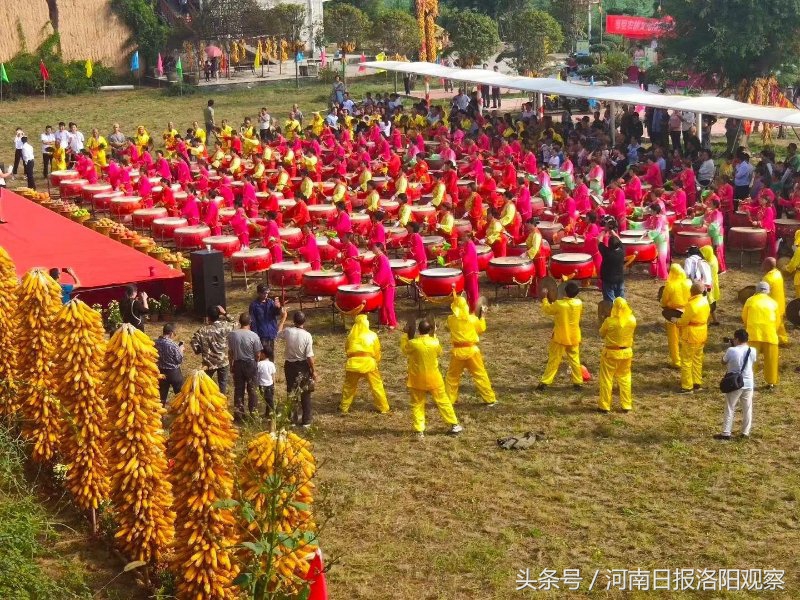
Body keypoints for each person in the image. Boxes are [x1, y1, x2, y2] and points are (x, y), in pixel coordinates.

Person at [400, 318, 463, 438]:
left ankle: (419, 431)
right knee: (443, 401)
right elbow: (439, 352)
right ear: (430, 330)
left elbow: (404, 349)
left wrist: (404, 335)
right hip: (434, 378)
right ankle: (454, 424)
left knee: (417, 404)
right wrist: (435, 336)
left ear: (418, 330)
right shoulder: (435, 343)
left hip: (417, 378)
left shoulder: (413, 344)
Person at [444, 296, 496, 406]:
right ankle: (489, 399)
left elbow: (447, 327)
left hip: (457, 352)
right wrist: (482, 316)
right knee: (480, 374)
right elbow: (481, 328)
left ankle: (449, 400)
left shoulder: (450, 319)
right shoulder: (472, 319)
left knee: (452, 377)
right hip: (472, 352)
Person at [537, 281, 584, 391]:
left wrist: (544, 298)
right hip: (574, 337)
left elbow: (547, 309)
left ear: (565, 292)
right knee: (575, 360)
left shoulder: (559, 305)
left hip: (560, 337)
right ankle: (578, 382)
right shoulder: (579, 303)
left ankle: (545, 382)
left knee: (554, 360)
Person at [340, 314, 389, 415]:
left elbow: (347, 349)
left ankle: (344, 407)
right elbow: (377, 351)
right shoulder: (372, 335)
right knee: (377, 386)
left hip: (353, 364)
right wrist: (376, 361)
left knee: (349, 387)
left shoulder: (350, 336)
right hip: (369, 364)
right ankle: (383, 408)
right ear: (367, 323)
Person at [715, 329, 756, 440]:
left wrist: (731, 346)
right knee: (747, 408)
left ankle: (726, 432)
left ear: (736, 339)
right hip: (748, 382)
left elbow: (723, 361)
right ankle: (745, 432)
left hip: (734, 382)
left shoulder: (731, 350)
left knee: (730, 407)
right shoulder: (752, 350)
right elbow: (753, 361)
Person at [598, 296, 636, 413]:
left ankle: (604, 405)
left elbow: (601, 334)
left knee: (606, 379)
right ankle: (626, 405)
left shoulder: (609, 321)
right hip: (626, 353)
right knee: (625, 379)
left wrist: (603, 319)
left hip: (611, 354)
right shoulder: (632, 320)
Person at [277, 311, 316, 428]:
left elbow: (278, 333)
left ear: (293, 321)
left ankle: (292, 419)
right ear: (304, 321)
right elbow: (309, 356)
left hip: (289, 365)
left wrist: (283, 318)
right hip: (303, 365)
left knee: (291, 392)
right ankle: (306, 421)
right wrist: (313, 370)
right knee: (305, 393)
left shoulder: (288, 331)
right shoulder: (307, 335)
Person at [674, 281, 711, 393]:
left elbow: (684, 321)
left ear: (691, 292)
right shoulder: (705, 301)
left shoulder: (691, 304)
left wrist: (676, 321)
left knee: (686, 360)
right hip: (702, 332)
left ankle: (687, 386)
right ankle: (697, 382)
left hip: (691, 334)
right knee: (697, 359)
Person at [742, 281, 779, 389]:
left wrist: (748, 327)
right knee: (771, 360)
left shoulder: (750, 300)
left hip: (753, 334)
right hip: (770, 334)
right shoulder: (773, 303)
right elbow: (778, 321)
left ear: (756, 291)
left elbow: (744, 317)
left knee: (751, 359)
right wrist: (772, 330)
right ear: (768, 291)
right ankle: (771, 382)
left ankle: (749, 381)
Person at [190, 305, 234, 393]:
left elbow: (194, 343)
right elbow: (236, 323)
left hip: (208, 363)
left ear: (208, 317)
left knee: (205, 386)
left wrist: (199, 350)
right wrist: (225, 313)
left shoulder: (202, 330)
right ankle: (222, 402)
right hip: (223, 362)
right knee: (223, 385)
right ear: (219, 315)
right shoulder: (225, 327)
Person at [228, 312, 263, 422]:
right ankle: (253, 415)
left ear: (239, 322)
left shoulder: (233, 335)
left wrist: (231, 365)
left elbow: (230, 352)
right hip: (250, 363)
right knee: (252, 390)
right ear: (250, 322)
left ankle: (239, 415)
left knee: (239, 389)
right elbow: (258, 354)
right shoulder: (254, 335)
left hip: (237, 363)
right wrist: (256, 362)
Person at [661, 263, 692, 367]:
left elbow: (664, 301)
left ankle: (676, 361)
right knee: (686, 338)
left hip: (672, 314)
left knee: (673, 339)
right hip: (687, 313)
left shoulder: (670, 285)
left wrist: (664, 305)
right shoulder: (688, 283)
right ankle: (687, 358)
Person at [155, 323, 184, 406]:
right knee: (179, 395)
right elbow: (179, 360)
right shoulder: (173, 345)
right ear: (171, 333)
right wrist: (181, 350)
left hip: (160, 372)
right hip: (174, 373)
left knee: (161, 396)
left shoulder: (155, 342)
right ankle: (179, 411)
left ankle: (160, 414)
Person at [249, 284, 284, 353]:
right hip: (261, 335)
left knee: (271, 353)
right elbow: (253, 321)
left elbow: (276, 314)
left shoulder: (270, 302)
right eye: (264, 293)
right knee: (263, 355)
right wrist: (255, 335)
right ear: (258, 293)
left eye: (267, 293)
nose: (266, 295)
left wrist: (278, 308)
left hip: (271, 333)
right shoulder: (254, 305)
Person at [762, 258, 788, 345]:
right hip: (780, 304)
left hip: (772, 306)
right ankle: (783, 340)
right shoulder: (778, 273)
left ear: (768, 266)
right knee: (780, 323)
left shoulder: (768, 278)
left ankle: (770, 341)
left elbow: (763, 294)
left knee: (770, 324)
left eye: (764, 264)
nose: (762, 265)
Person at [371, 243, 397, 330]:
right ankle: (383, 320)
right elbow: (369, 263)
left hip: (388, 284)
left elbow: (383, 271)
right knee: (381, 304)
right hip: (382, 284)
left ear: (379, 248)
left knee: (388, 304)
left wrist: (375, 281)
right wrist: (361, 260)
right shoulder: (376, 257)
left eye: (374, 246)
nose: (372, 248)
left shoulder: (383, 258)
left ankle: (392, 322)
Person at [598, 227, 625, 301]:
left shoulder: (606, 252)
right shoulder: (622, 251)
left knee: (610, 301)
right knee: (621, 301)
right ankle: (622, 311)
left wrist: (604, 231)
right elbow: (619, 240)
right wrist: (612, 231)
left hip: (608, 280)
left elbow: (599, 240)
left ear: (609, 245)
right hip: (620, 279)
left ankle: (612, 311)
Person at [257, 348, 277, 418]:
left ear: (263, 354)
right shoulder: (271, 364)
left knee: (268, 400)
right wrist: (274, 384)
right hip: (270, 384)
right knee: (269, 399)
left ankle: (273, 413)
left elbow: (258, 375)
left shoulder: (259, 364)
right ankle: (268, 413)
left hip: (262, 385)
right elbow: (273, 375)